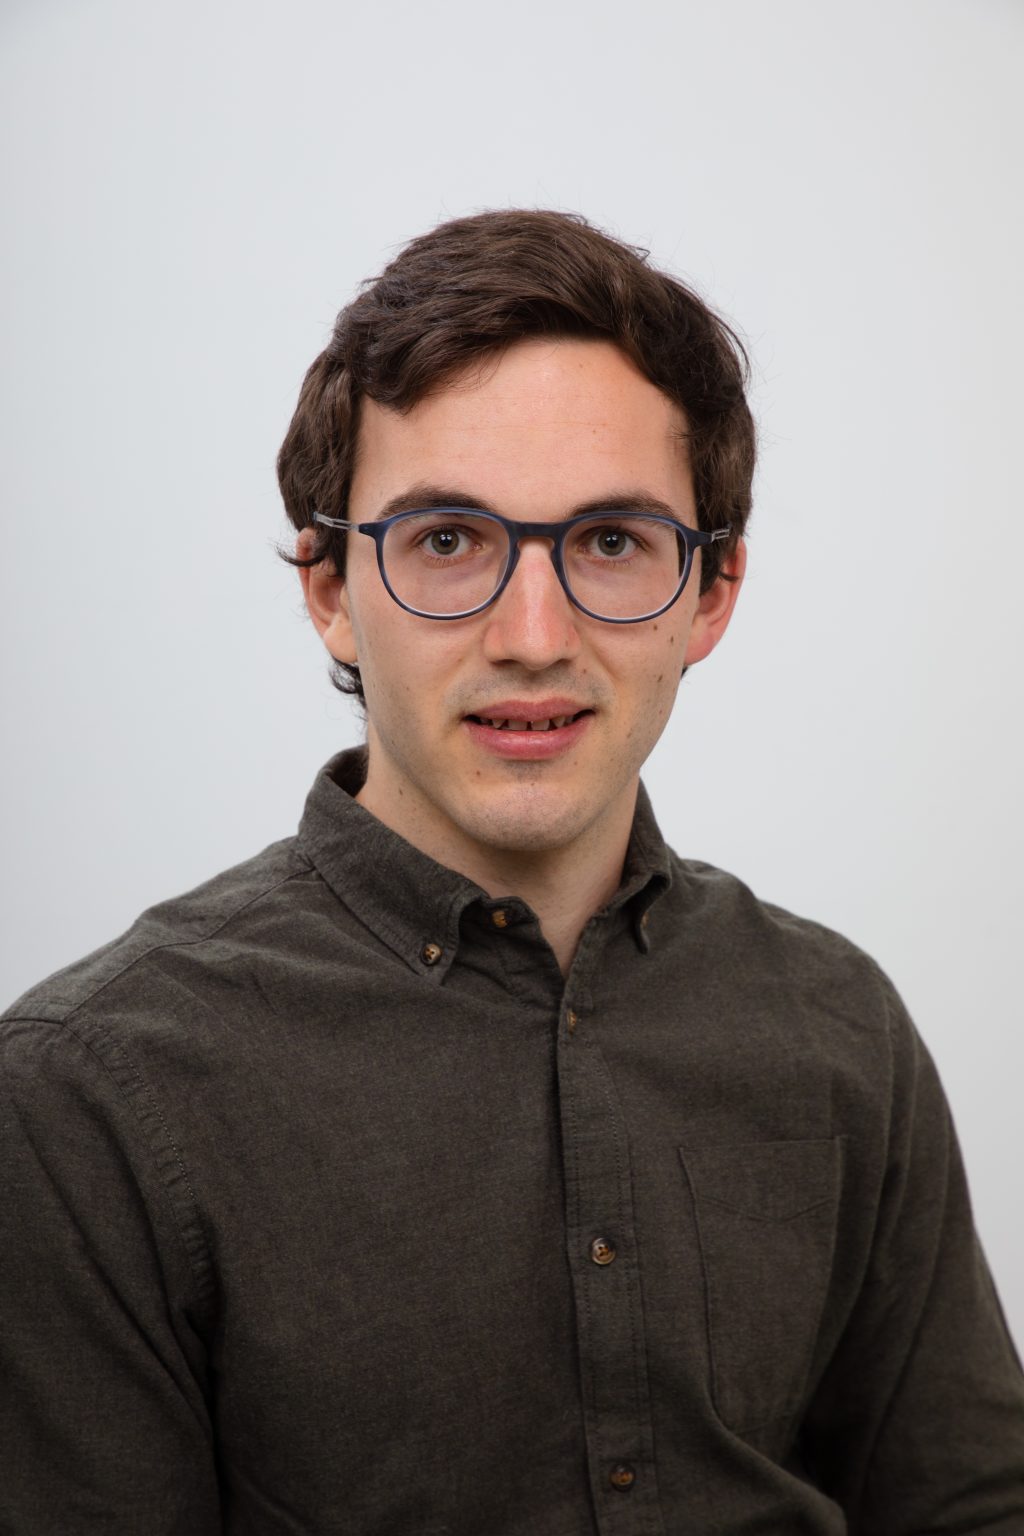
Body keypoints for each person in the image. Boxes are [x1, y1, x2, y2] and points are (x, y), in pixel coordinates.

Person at [2, 209, 1022, 1536]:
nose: (533, 635)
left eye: (610, 542)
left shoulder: (840, 1028)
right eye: (447, 541)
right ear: (328, 587)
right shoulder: (85, 1097)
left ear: (710, 592)